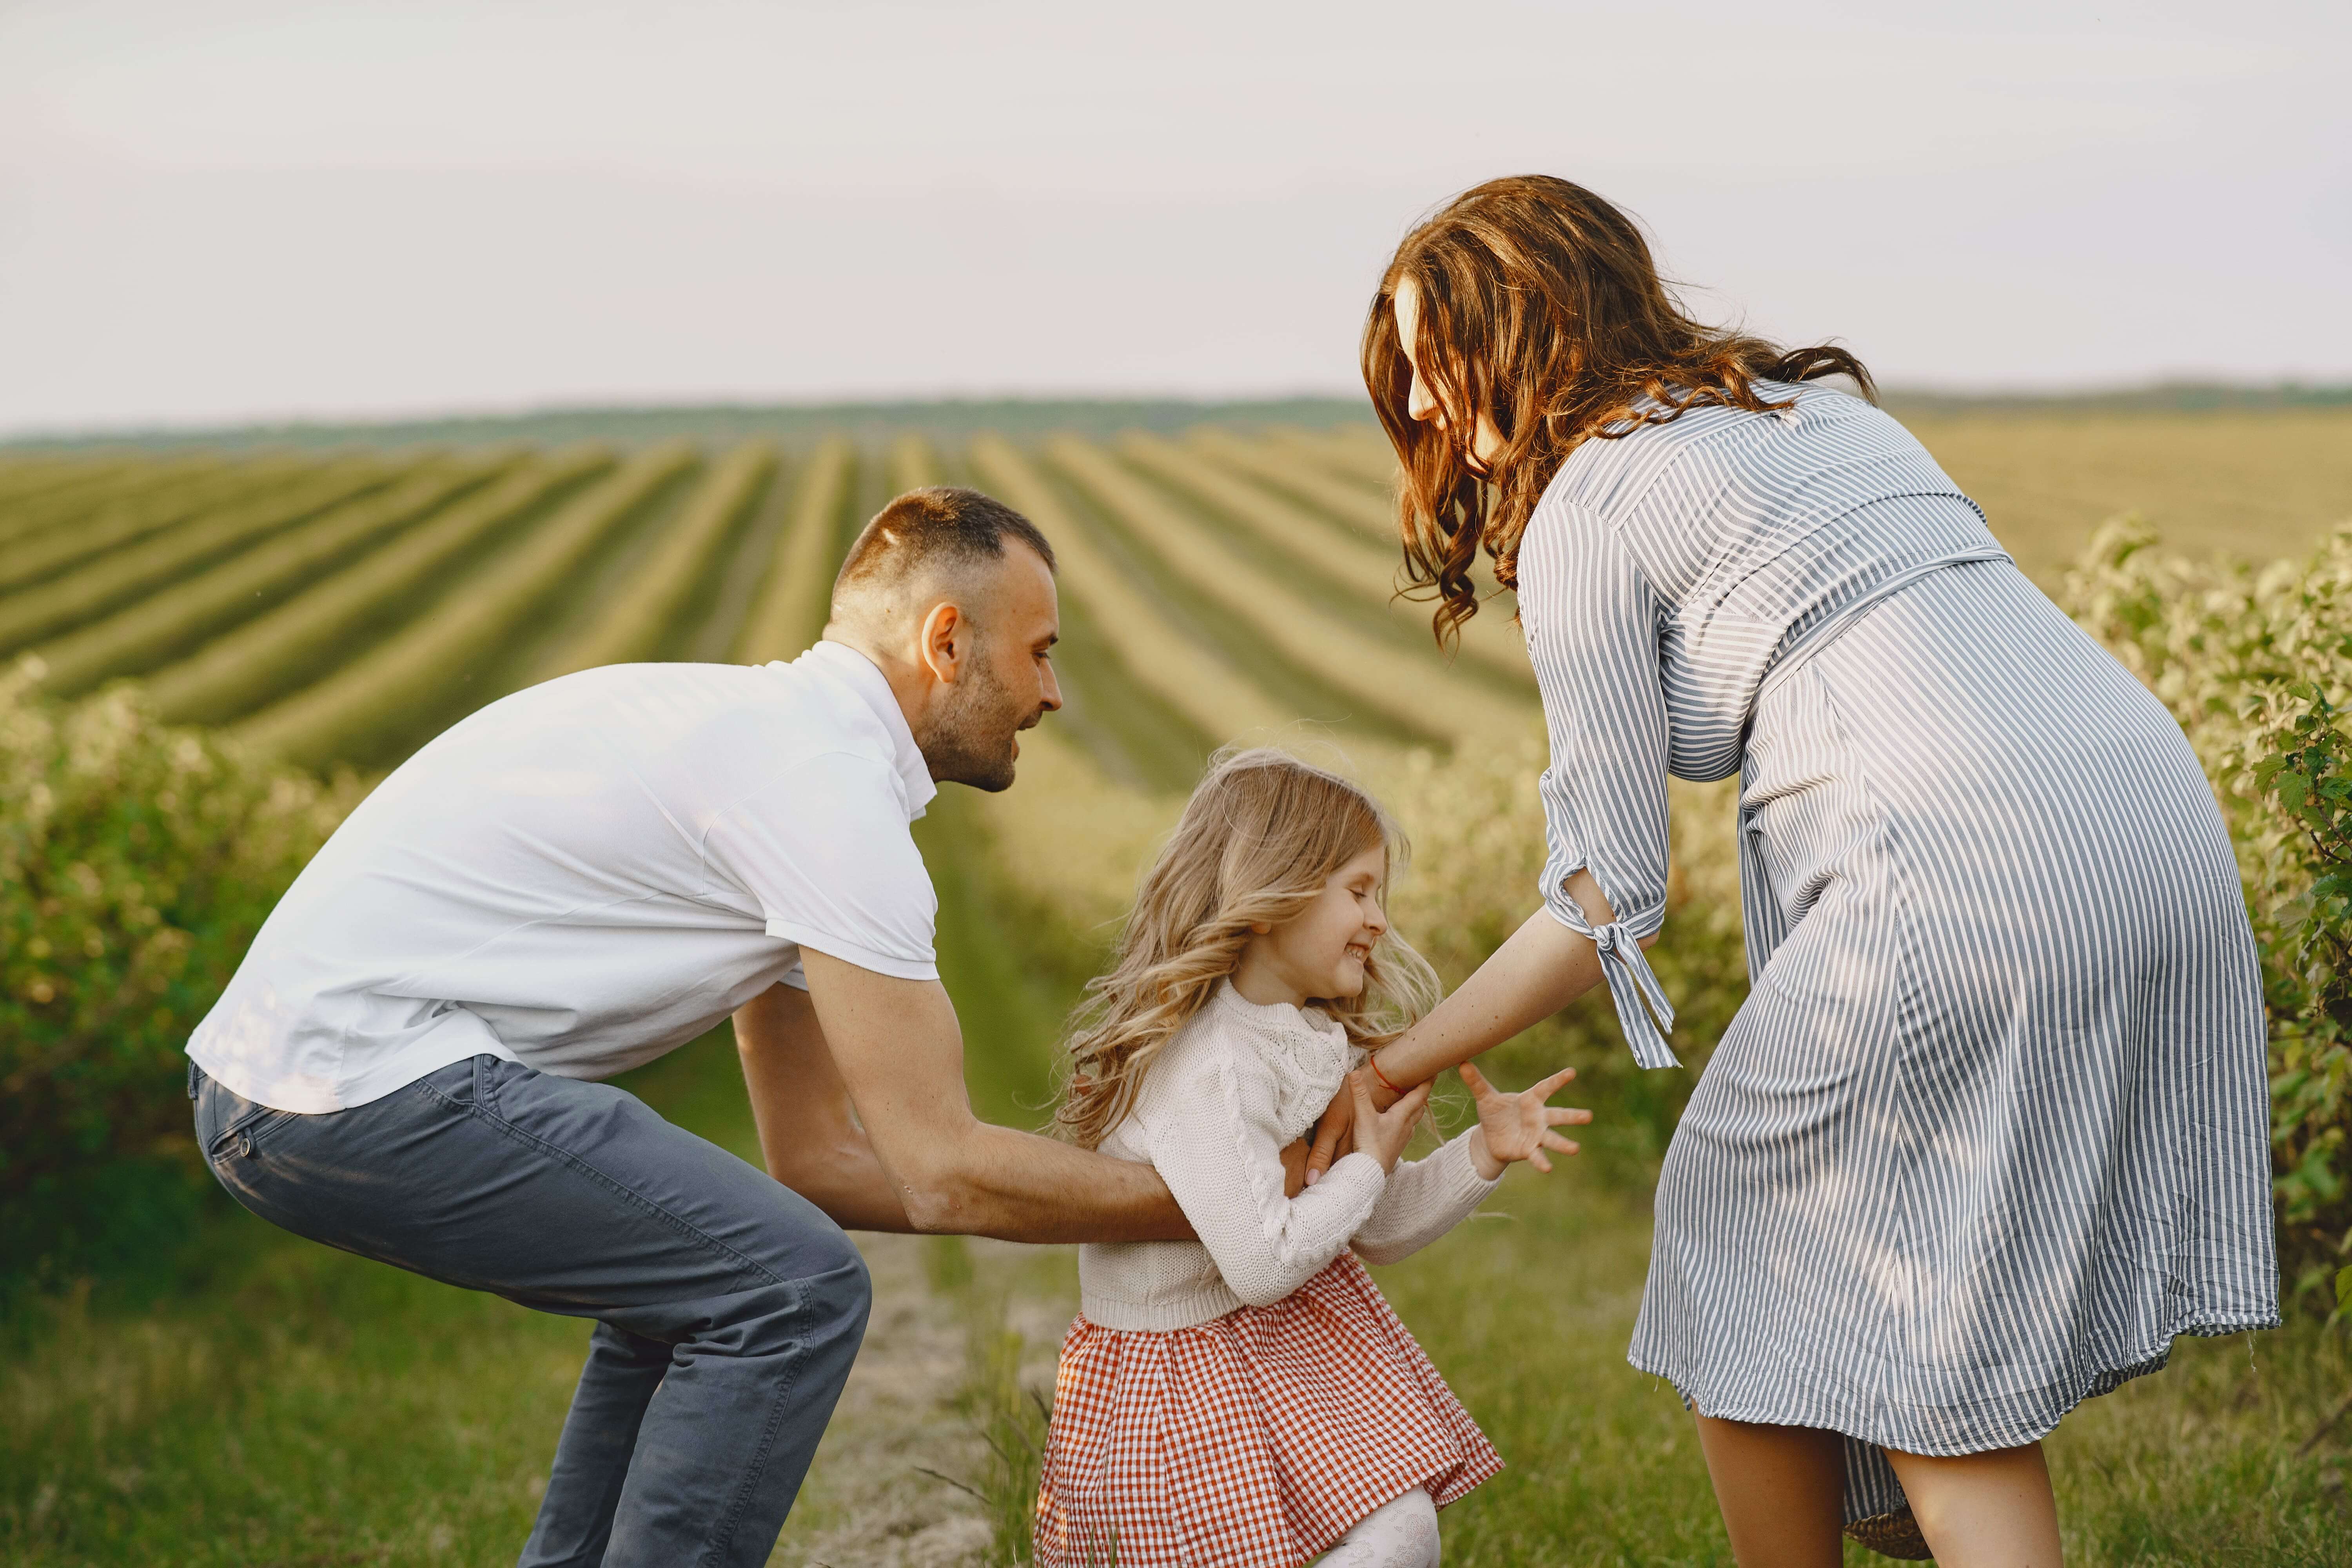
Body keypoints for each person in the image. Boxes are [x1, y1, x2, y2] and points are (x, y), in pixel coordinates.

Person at [1303, 175, 2280, 1565]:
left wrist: (1392, 1064)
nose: (1424, 403)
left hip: (1959, 865)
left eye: (1438, 357)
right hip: (2150, 820)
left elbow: (1605, 898)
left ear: (1528, 325)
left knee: (1751, 1239)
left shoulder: (1591, 502)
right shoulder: (1819, 412)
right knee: (1909, 1302)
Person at [187, 486, 1199, 1568]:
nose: (1053, 694)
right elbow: (945, 1171)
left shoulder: (778, 757)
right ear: (946, 641)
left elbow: (817, 1161)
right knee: (792, 1291)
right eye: (1040, 653)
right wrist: (1208, 1204)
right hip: (345, 1076)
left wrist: (1141, 1199)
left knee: (716, 1277)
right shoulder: (827, 794)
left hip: (283, 1078)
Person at [1029, 749, 1586, 1568]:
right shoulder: (1209, 1064)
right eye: (1358, 891)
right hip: (1173, 1384)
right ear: (1271, 895)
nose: (1380, 921)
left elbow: (1374, 1221)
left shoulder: (1309, 1038)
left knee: (1401, 1524)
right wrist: (1366, 1167)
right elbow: (1263, 1260)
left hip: (1265, 1352)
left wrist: (1483, 1151)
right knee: (1381, 1532)